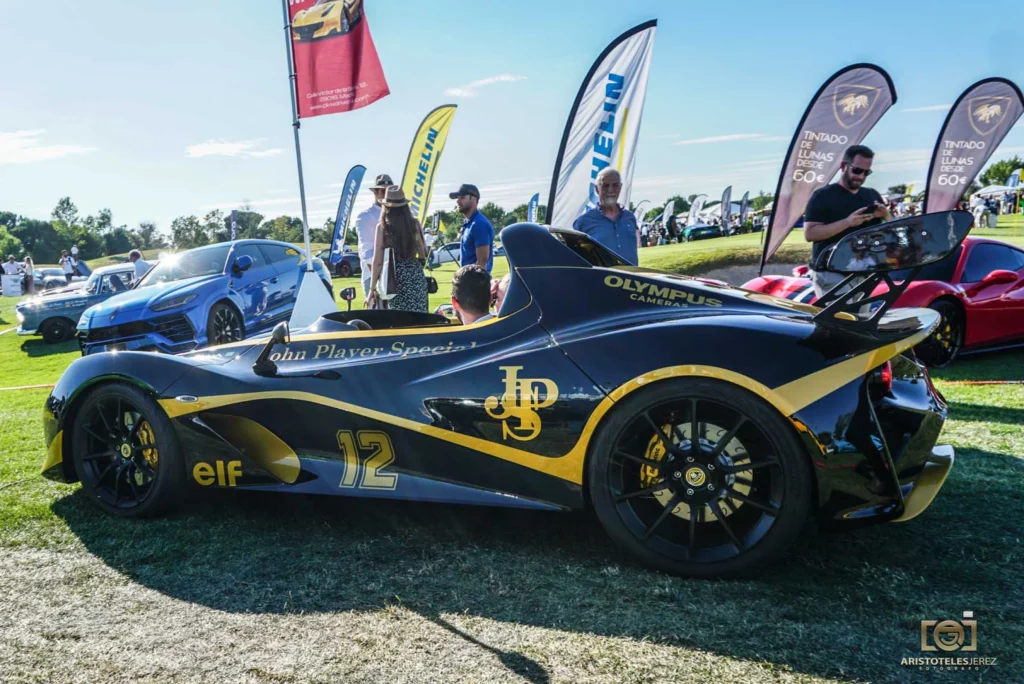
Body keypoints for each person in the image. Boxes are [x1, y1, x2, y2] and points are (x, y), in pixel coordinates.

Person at [803, 145, 891, 297]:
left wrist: (886, 215)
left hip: (864, 272)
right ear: (843, 166)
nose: (861, 176)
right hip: (831, 272)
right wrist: (848, 222)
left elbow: (892, 229)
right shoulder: (822, 196)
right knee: (839, 314)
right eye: (857, 170)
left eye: (866, 172)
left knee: (861, 313)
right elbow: (810, 234)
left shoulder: (871, 195)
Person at [366, 186, 428, 312]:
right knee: (421, 317)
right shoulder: (414, 224)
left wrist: (372, 288)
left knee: (399, 318)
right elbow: (423, 253)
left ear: (386, 207)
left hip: (394, 278)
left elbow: (377, 261)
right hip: (415, 275)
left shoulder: (382, 227)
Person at [571, 168, 640, 264]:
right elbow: (576, 258)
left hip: (632, 273)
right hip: (600, 274)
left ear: (620, 187)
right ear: (597, 189)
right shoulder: (583, 222)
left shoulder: (630, 217)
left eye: (615, 185)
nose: (610, 190)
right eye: (605, 186)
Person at [356, 173, 392, 297]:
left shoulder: (396, 214)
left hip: (395, 276)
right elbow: (367, 253)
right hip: (374, 277)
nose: (386, 194)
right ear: (375, 192)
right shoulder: (365, 217)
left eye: (389, 191)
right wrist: (377, 280)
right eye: (383, 191)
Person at [450, 183, 494, 273]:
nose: (457, 201)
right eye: (458, 198)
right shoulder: (469, 223)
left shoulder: (479, 224)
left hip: (476, 280)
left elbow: (482, 260)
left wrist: (475, 280)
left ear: (473, 199)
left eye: (462, 197)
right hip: (467, 278)